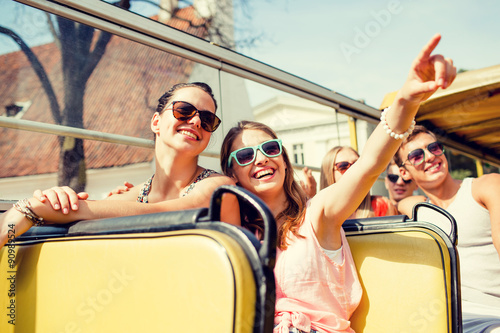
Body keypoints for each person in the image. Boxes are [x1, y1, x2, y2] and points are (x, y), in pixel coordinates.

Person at [220, 33, 456, 333]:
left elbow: (369, 164)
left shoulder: (317, 213)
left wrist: (405, 101)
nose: (261, 159)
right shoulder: (235, 233)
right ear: (232, 174)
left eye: (270, 149)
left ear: (283, 158)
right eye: (245, 155)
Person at [0, 82, 238, 248]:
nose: (196, 120)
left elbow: (166, 213)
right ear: (156, 122)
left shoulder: (220, 187)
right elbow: (82, 211)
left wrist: (37, 208)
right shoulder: (135, 194)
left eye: (207, 119)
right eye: (184, 110)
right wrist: (57, 200)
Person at [395, 125, 500, 332]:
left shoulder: (485, 187)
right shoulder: (418, 207)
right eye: (416, 155)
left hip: (492, 315)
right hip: (448, 319)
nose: (430, 157)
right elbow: (404, 203)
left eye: (434, 148)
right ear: (404, 173)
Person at [320, 146, 398, 218]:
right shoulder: (318, 212)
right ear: (329, 174)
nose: (352, 170)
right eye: (343, 166)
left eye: (357, 165)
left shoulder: (381, 205)